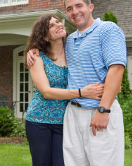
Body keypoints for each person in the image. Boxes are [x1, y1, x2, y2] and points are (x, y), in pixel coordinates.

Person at [27, 0, 127, 166]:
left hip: (98, 111)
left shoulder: (108, 29)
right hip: (71, 115)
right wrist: (33, 49)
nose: (75, 12)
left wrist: (104, 109)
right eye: (69, 8)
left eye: (79, 6)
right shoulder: (71, 41)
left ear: (90, 6)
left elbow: (117, 69)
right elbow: (50, 52)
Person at [24, 13, 104, 166]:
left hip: (66, 121)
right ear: (45, 36)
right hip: (39, 121)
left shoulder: (74, 53)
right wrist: (82, 92)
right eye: (52, 25)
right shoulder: (37, 58)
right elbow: (46, 92)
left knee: (62, 163)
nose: (59, 25)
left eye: (58, 22)